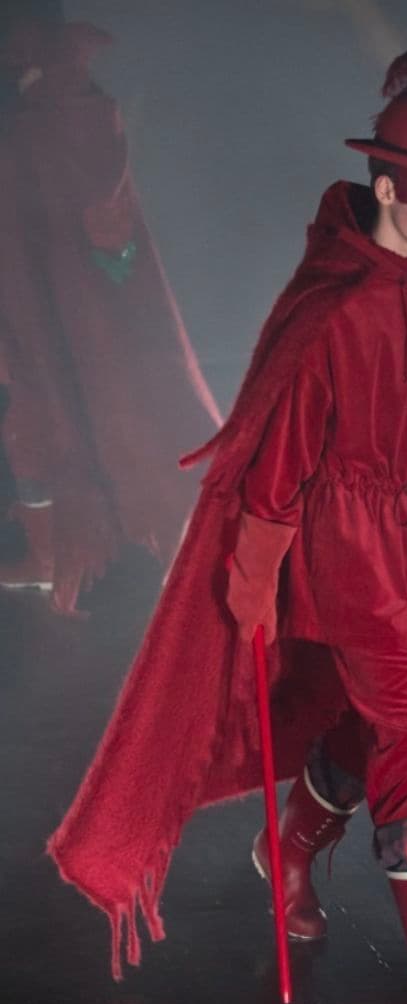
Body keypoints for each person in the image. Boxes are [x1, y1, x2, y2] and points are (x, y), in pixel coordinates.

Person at [48, 52, 407, 1004]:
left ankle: (289, 849)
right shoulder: (332, 310)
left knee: (369, 733)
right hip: (354, 563)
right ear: (386, 186)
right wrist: (255, 570)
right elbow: (279, 457)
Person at [0, 18, 221, 612]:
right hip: (46, 294)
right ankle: (54, 551)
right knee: (37, 408)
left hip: (83, 301)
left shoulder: (70, 116)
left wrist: (107, 255)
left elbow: (102, 205)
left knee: (121, 414)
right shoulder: (39, 121)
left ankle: (181, 550)